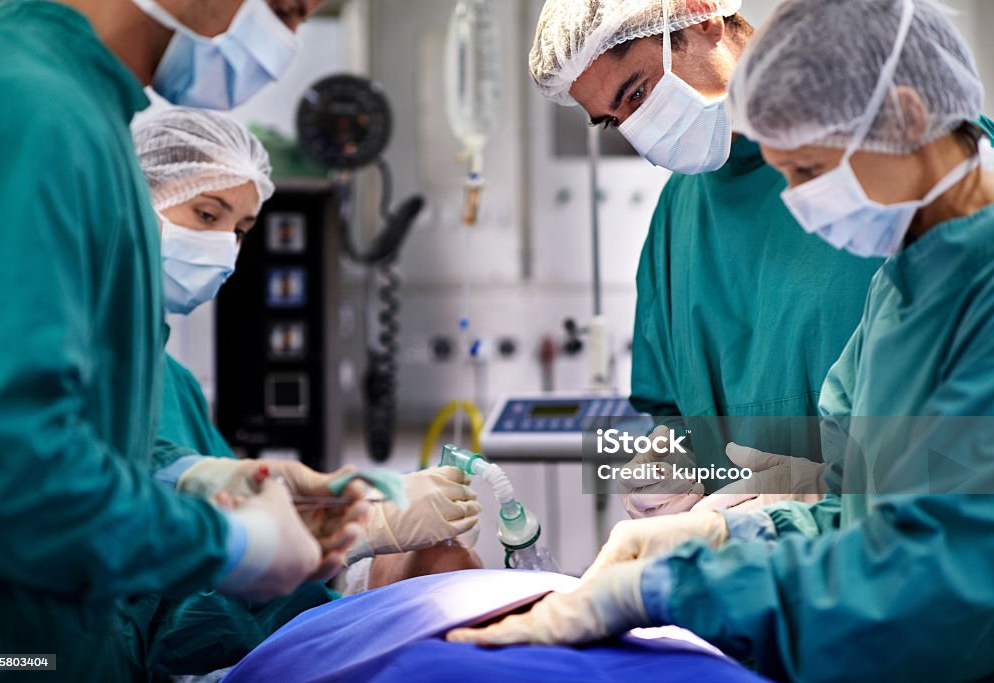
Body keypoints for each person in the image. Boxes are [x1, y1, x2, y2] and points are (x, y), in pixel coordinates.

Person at [450, 2, 994, 682]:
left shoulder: (964, 275)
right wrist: (729, 530)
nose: (799, 205)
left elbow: (944, 573)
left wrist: (679, 586)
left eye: (806, 172)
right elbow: (859, 513)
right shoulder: (902, 285)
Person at [0, 1, 364, 681]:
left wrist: (200, 475)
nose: (284, 45)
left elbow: (79, 419)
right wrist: (228, 543)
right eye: (284, 11)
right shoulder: (30, 105)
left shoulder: (81, 113)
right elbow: (9, 461)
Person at [128, 107, 483, 677]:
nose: (223, 245)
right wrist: (355, 529)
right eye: (206, 212)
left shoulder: (172, 384)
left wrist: (347, 563)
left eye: (240, 231)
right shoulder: (71, 363)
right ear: (126, 198)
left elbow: (228, 559)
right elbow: (169, 615)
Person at [529, 0, 883, 518]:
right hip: (743, 575)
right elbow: (673, 406)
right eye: (613, 120)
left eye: (638, 92)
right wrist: (672, 456)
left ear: (701, 17)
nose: (636, 132)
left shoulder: (904, 164)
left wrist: (837, 489)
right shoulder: (681, 210)